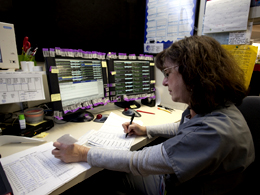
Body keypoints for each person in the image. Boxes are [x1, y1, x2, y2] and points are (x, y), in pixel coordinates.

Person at [52, 35, 255, 195]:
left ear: (193, 74)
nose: (164, 82)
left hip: (177, 188)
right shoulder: (213, 108)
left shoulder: (213, 132)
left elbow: (139, 162)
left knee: (103, 177)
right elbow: (185, 128)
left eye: (167, 73)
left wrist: (82, 153)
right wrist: (147, 129)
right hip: (195, 180)